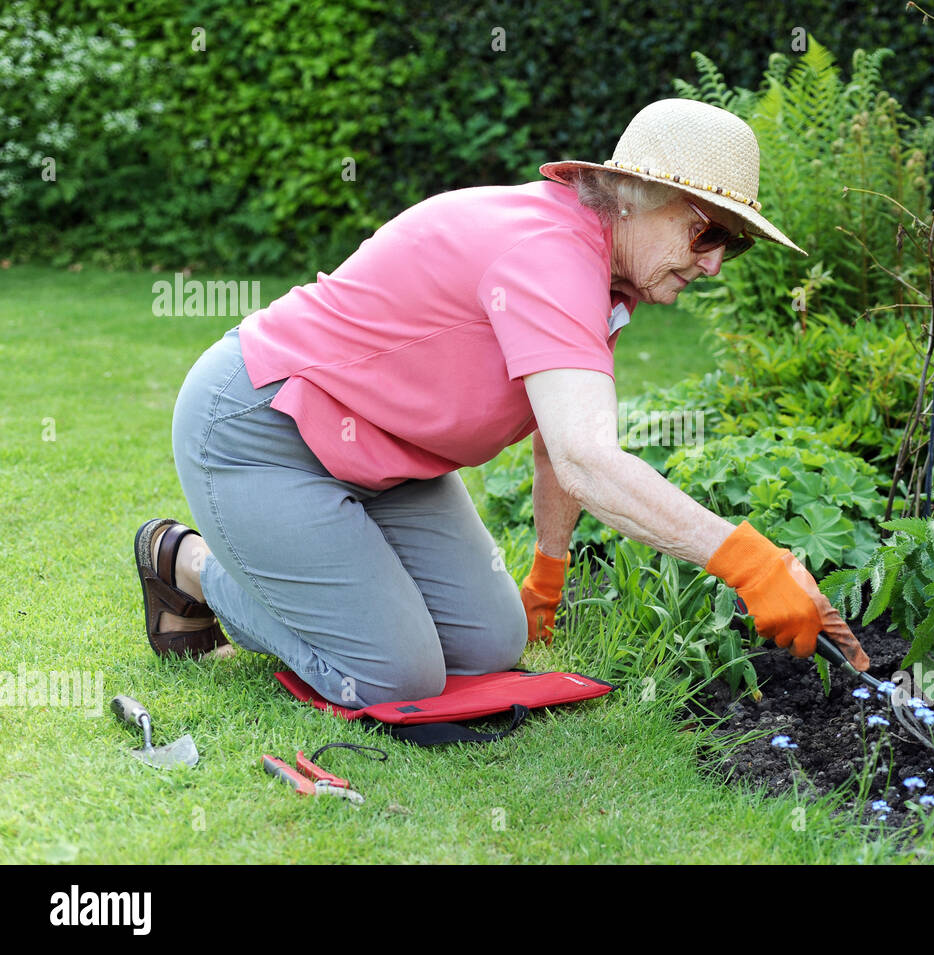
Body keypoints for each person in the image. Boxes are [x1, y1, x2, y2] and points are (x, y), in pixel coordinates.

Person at [133, 98, 867, 708]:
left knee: (493, 642)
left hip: (390, 460)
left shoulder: (603, 276)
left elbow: (559, 441)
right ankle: (188, 564)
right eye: (705, 231)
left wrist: (546, 577)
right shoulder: (549, 255)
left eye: (731, 245)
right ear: (639, 196)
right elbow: (589, 458)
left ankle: (314, 573)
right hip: (263, 429)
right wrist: (751, 565)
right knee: (394, 675)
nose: (712, 262)